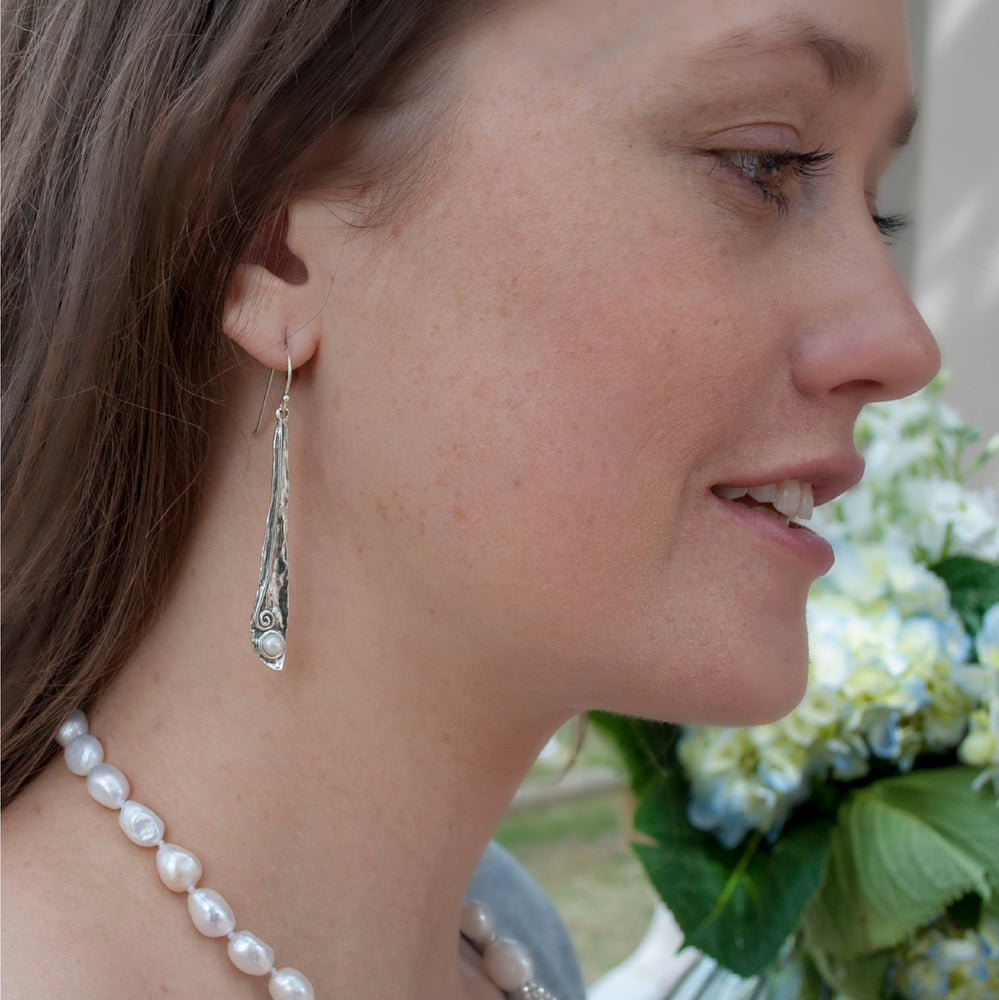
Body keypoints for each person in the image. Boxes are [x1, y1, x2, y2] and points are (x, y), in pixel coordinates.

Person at [1, 0, 940, 997]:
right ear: (266, 231)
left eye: (877, 210)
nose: (903, 345)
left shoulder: (512, 946)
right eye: (764, 162)